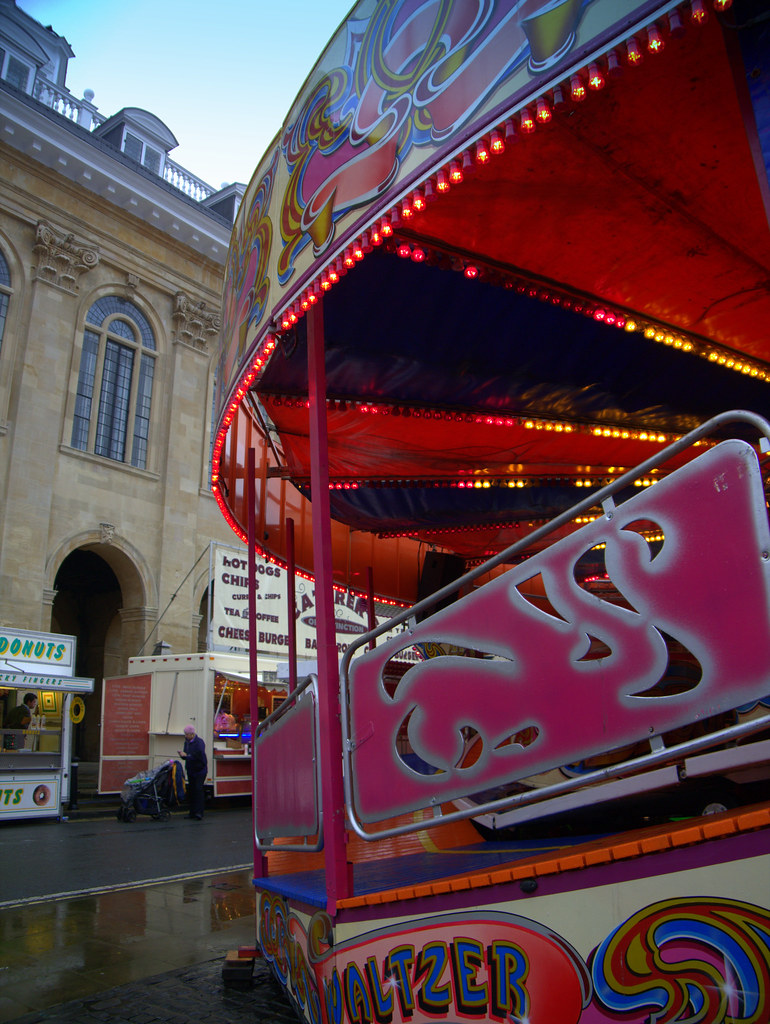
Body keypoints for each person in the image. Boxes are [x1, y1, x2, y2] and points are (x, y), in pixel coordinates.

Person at [178, 724, 207, 820]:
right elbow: (186, 755)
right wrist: (182, 755)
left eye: (187, 734)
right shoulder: (186, 743)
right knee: (192, 791)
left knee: (198, 790)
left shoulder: (199, 742)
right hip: (191, 769)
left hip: (200, 770)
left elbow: (198, 755)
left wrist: (187, 756)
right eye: (185, 734)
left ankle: (199, 813)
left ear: (192, 734)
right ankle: (192, 812)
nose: (185, 736)